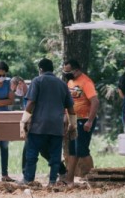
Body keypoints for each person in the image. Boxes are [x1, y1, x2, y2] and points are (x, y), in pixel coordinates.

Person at [18, 58, 75, 186]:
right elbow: (70, 108)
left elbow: (31, 102)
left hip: (39, 125)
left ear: (40, 69)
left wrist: (24, 121)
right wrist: (73, 125)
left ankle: (28, 180)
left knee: (31, 155)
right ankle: (53, 181)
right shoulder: (62, 84)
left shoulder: (37, 81)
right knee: (55, 156)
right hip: (56, 126)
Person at [11, 76, 69, 180]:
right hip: (39, 126)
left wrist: (23, 122)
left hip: (40, 126)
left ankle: (28, 177)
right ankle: (61, 171)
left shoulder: (33, 90)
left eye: (15, 89)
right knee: (44, 151)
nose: (16, 92)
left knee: (32, 152)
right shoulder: (26, 96)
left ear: (20, 83)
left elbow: (33, 108)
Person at [62, 59, 99, 185]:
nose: (67, 74)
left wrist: (90, 121)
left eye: (69, 71)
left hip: (84, 120)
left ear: (77, 70)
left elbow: (95, 101)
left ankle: (93, 179)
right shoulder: (70, 82)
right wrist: (66, 117)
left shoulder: (86, 82)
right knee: (73, 151)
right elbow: (69, 102)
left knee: (82, 150)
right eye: (65, 71)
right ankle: (69, 179)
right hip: (74, 120)